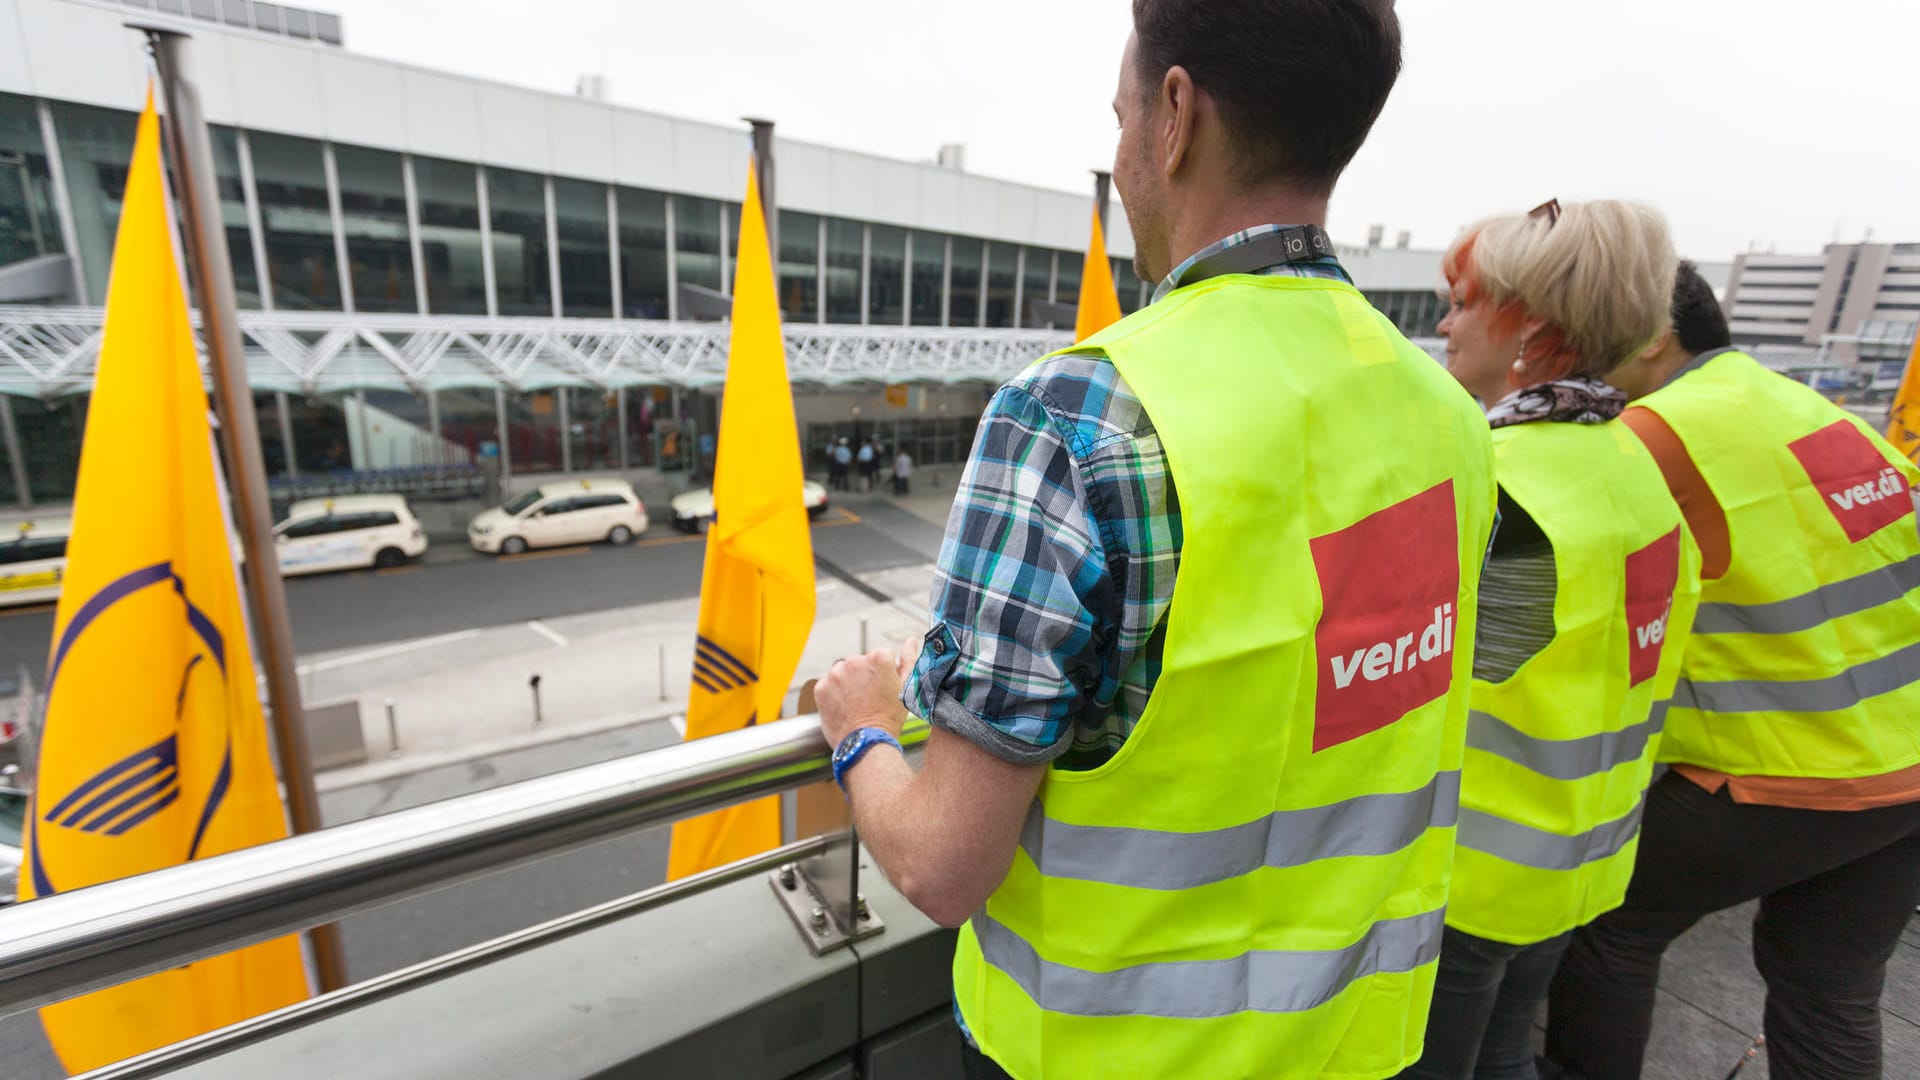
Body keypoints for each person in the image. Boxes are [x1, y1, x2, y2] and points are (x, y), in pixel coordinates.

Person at [814, 3, 1497, 1076]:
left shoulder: (1079, 415)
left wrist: (860, 728)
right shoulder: (1448, 414)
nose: (1122, 149)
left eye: (1123, 113)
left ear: (1176, 117)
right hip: (1352, 1042)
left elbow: (944, 866)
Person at [1544, 264, 1920, 1080]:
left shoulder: (1656, 433)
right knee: (1830, 991)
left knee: (1610, 919)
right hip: (1905, 762)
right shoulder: (1799, 403)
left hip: (1790, 764)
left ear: (1650, 334)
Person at [1400, 201, 1702, 1080]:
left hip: (1470, 878)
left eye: (1463, 301)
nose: (1445, 324)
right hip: (1582, 856)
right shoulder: (1634, 465)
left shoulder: (1502, 487)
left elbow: (1433, 682)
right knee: (1505, 1056)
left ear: (1528, 321)